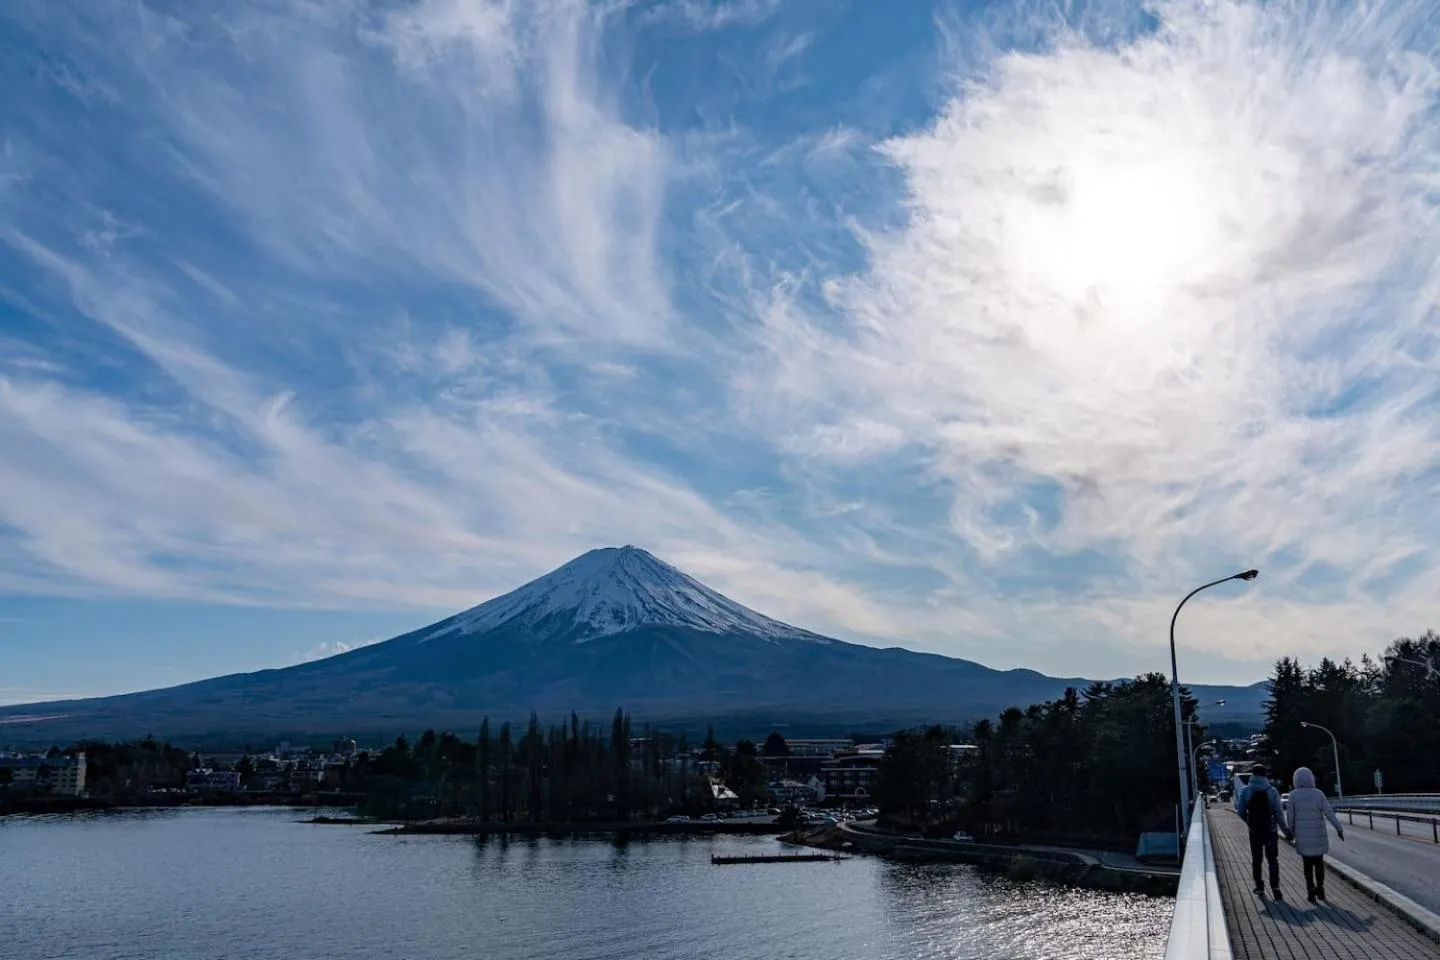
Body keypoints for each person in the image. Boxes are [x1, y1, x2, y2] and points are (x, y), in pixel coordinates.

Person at [1286, 766, 1345, 903]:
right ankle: (1320, 888)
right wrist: (1339, 829)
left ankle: (1310, 889)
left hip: (1302, 836)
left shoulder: (1293, 795)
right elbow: (1329, 813)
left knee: (1307, 865)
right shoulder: (1318, 794)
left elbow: (1290, 816)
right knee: (1319, 864)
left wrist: (1291, 832)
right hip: (1318, 836)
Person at [1236, 763, 1289, 898]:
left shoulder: (1245, 791)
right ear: (1265, 775)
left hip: (1254, 830)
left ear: (1253, 774)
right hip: (1270, 830)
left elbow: (1240, 811)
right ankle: (1276, 888)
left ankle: (1259, 886)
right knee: (1272, 859)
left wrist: (1250, 822)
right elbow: (1279, 813)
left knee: (1256, 859)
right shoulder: (1272, 791)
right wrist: (1286, 831)